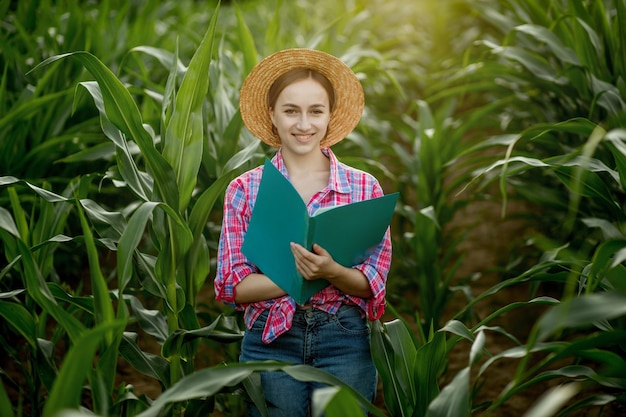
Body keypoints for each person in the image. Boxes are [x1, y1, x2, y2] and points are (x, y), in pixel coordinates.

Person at [214, 48, 393, 417]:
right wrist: (300, 275)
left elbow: (372, 282)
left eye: (316, 111)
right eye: (290, 110)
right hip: (270, 340)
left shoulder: (363, 188)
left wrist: (331, 272)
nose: (303, 124)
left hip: (344, 339)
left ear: (330, 116)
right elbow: (233, 286)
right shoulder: (246, 190)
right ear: (272, 115)